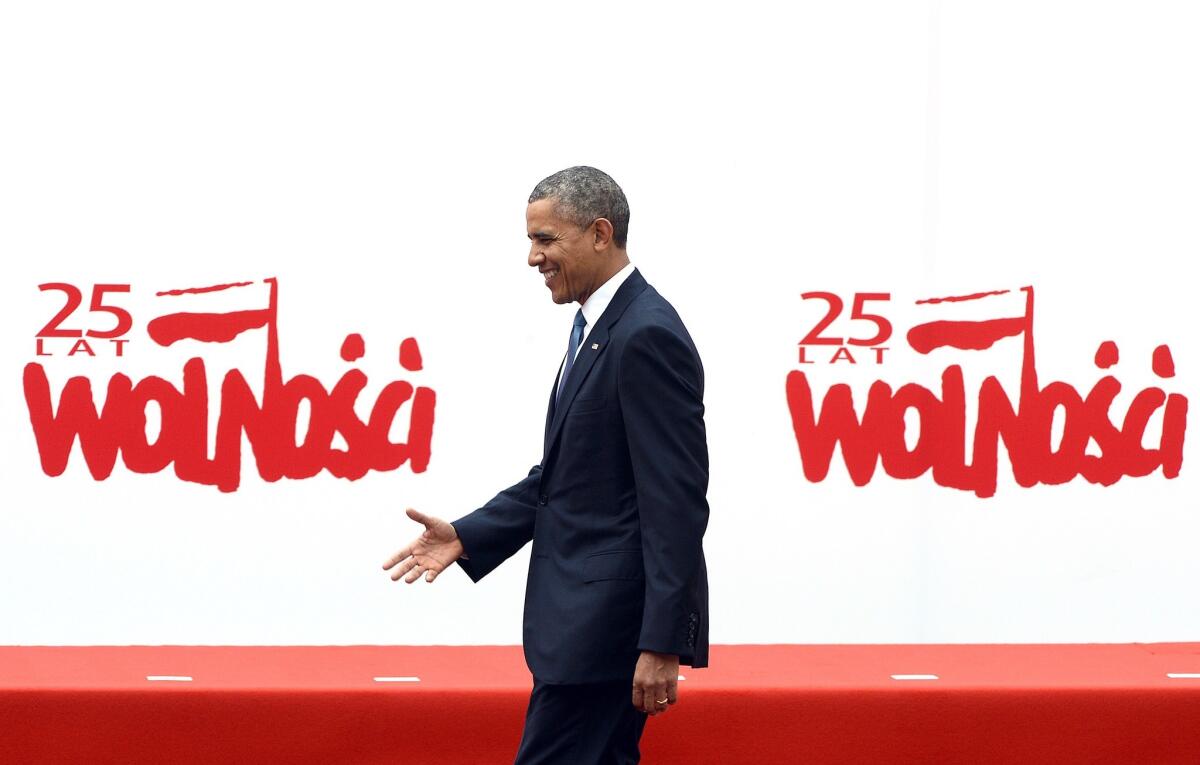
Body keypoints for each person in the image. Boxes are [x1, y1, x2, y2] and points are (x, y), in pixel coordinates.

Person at [382, 166, 710, 764]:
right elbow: (563, 479)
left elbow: (676, 501)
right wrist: (469, 534)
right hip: (585, 632)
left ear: (600, 234)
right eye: (531, 240)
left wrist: (663, 639)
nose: (533, 257)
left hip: (603, 634)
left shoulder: (644, 335)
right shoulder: (596, 328)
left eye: (546, 240)